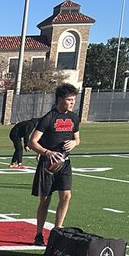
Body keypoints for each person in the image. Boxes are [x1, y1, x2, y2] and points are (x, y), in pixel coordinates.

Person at [28, 83, 81, 247]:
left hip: (64, 163)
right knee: (45, 201)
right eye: (69, 100)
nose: (72, 103)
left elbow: (78, 138)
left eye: (73, 100)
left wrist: (74, 143)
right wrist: (47, 153)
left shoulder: (74, 117)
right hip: (48, 165)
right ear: (60, 99)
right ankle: (38, 234)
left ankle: (57, 231)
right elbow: (32, 142)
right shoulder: (48, 118)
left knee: (66, 196)